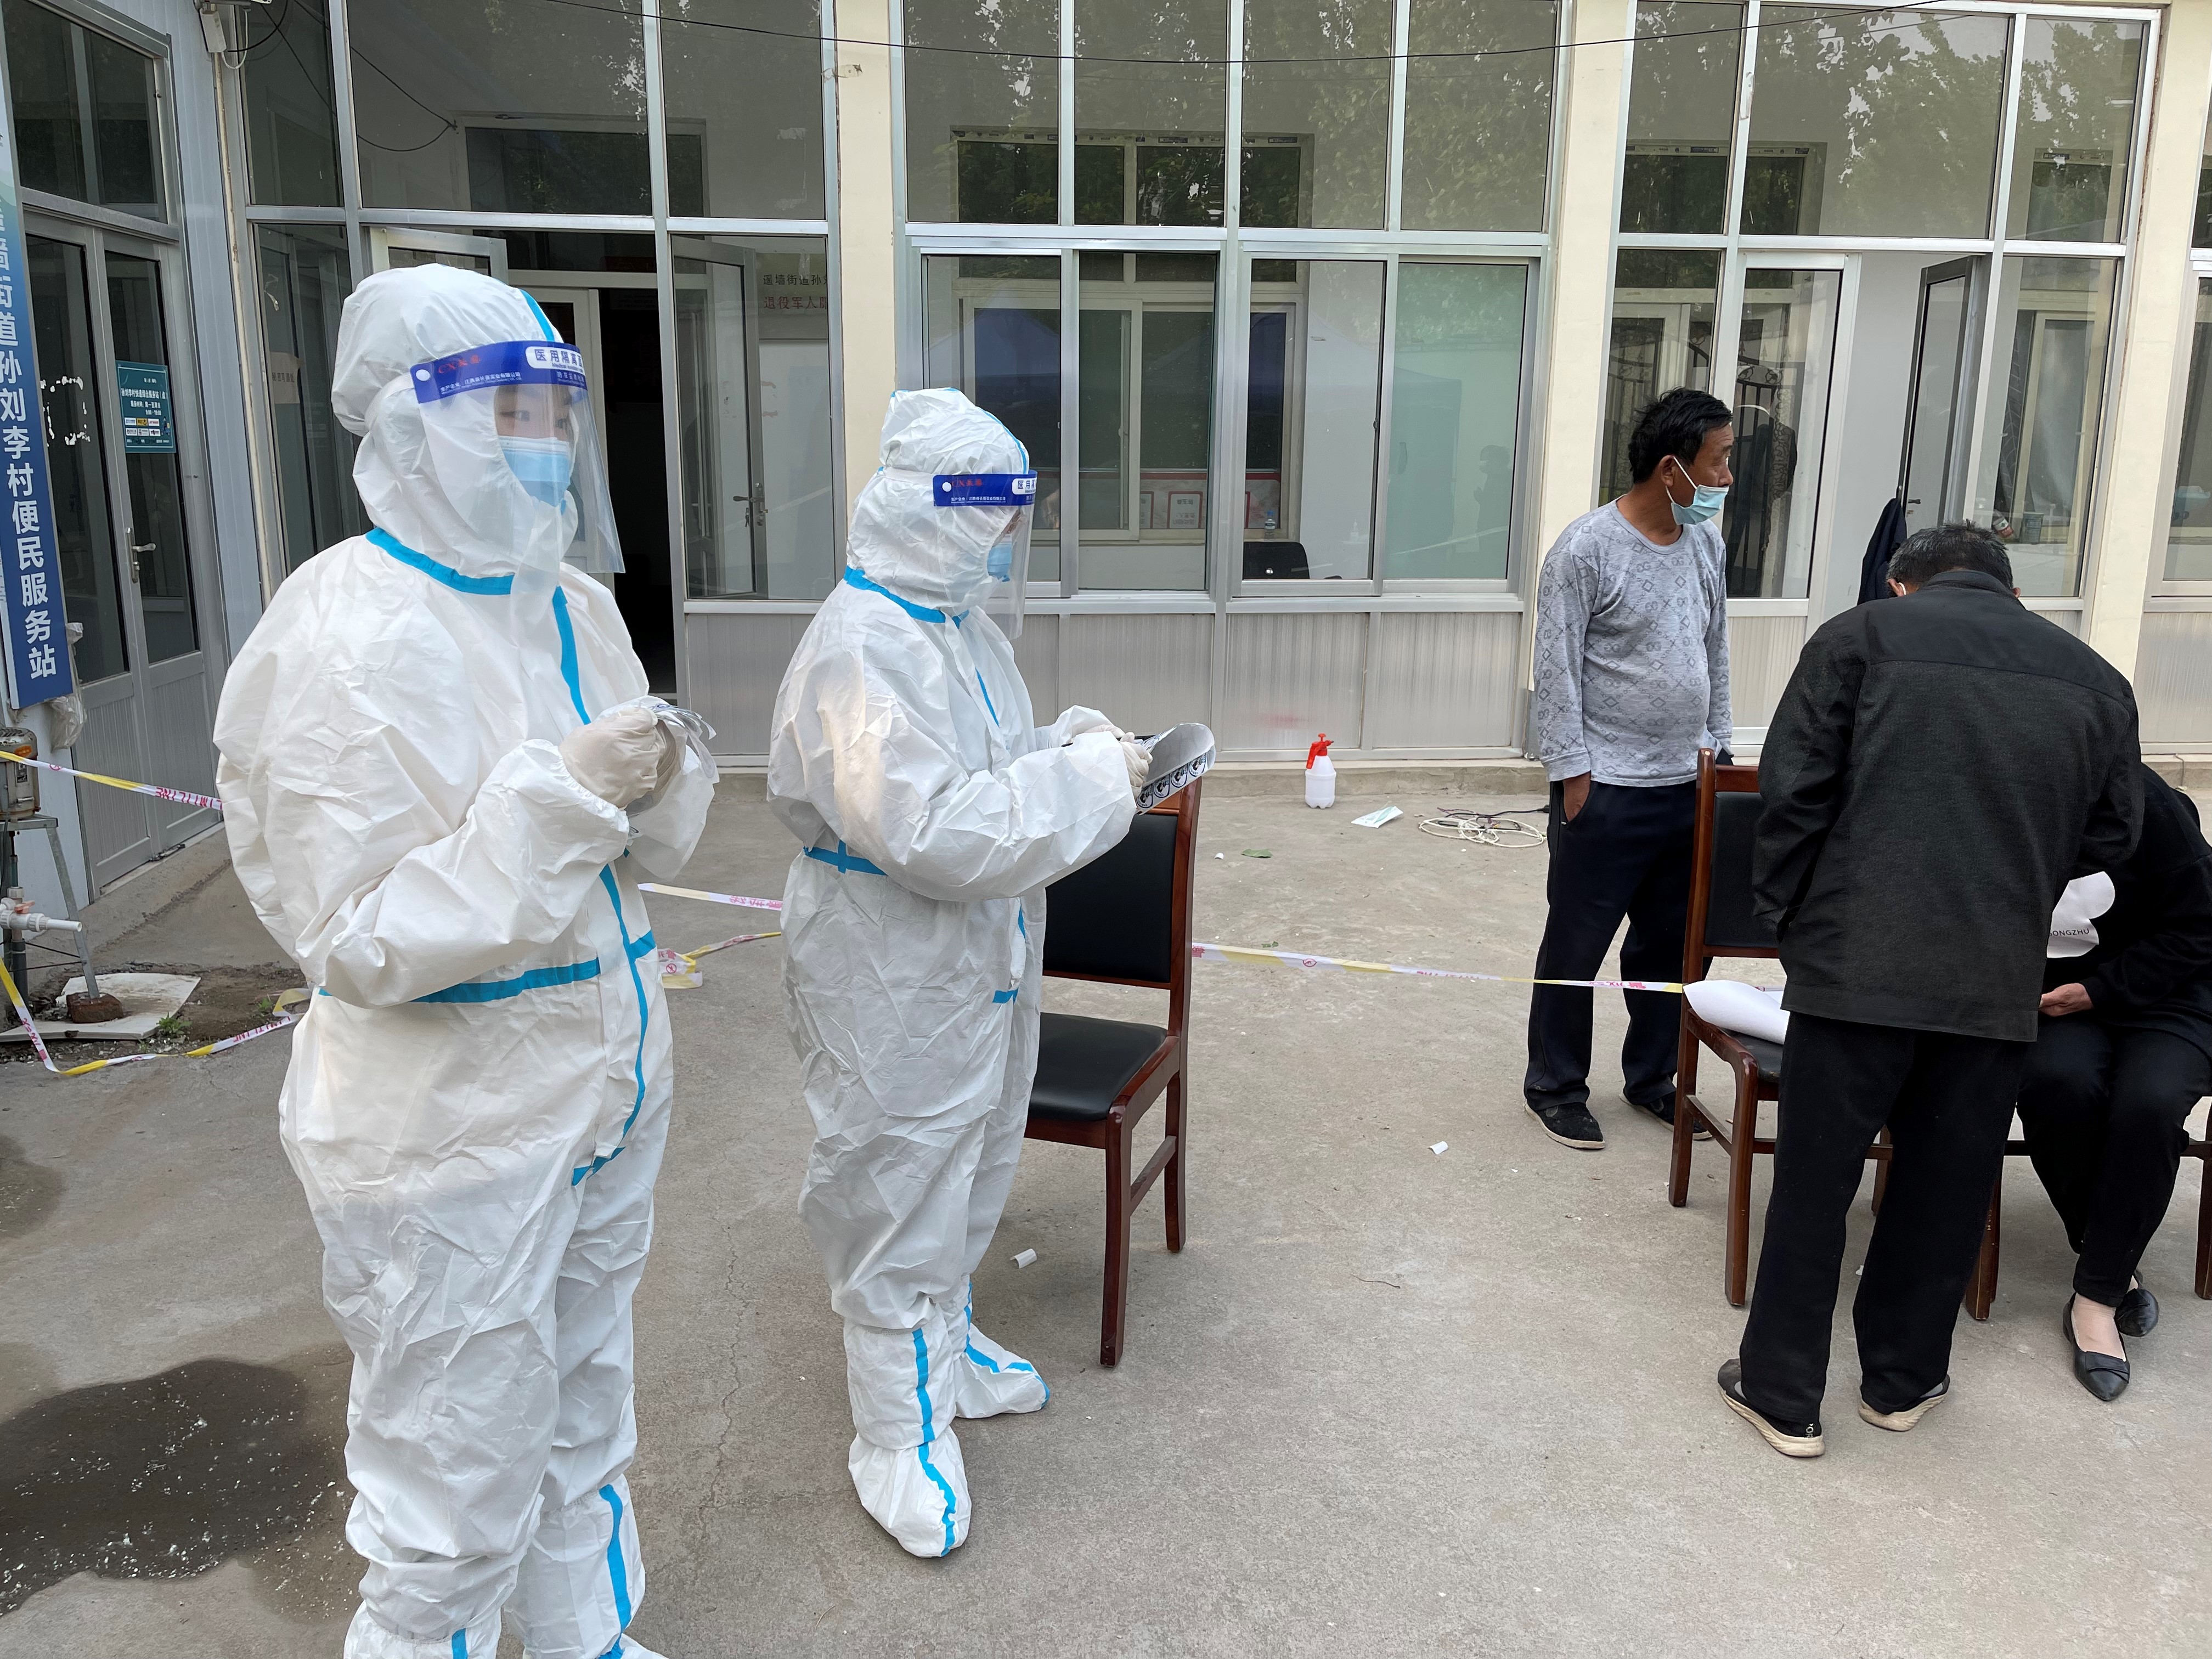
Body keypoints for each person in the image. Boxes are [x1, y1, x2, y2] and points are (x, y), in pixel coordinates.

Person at [216, 263, 714, 1659]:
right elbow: (361, 932)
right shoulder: (341, 632)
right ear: (407, 423)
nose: (543, 443)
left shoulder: (571, 603)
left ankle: (583, 1635)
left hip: (601, 1086)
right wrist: (564, 794)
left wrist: (654, 776)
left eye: (556, 412)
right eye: (508, 410)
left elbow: (635, 846)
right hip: (449, 1132)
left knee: (582, 1410)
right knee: (453, 1475)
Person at [768, 388, 1143, 1557]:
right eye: (990, 515)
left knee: (973, 1149)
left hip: (974, 951)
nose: (1005, 540)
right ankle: (895, 1429)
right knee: (897, 1174)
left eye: (1014, 516)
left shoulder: (958, 626)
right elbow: (931, 829)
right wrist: (1095, 783)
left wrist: (1067, 747)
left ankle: (948, 1341)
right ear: (925, 510)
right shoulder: (865, 644)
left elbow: (987, 763)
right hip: (890, 956)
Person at [1722, 522, 2141, 1458]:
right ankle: (1902, 1381)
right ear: (2012, 592)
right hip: (1995, 974)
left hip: (1853, 963)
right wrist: (2020, 865)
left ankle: (1782, 1394)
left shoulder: (1858, 638)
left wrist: (1794, 921)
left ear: (1902, 584)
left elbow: (1792, 792)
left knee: (1815, 1183)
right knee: (1944, 1185)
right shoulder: (2096, 681)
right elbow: (2116, 831)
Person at [1526, 387, 1735, 1150]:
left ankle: (1653, 1080)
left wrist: (1719, 747)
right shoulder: (1586, 549)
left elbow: (1716, 647)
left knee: (1669, 950)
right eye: (1719, 462)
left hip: (1687, 784)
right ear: (1671, 468)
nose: (1727, 478)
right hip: (1607, 789)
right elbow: (1555, 669)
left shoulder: (1705, 545)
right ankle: (1555, 1087)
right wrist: (1573, 773)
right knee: (1576, 946)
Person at [2019, 763, 2212, 1402]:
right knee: (2055, 1082)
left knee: (2150, 1103)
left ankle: (2097, 1298)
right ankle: (2112, 1258)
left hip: (2172, 992)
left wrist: (2101, 989)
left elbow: (2201, 927)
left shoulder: (2149, 803)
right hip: (2054, 1000)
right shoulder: (1996, 789)